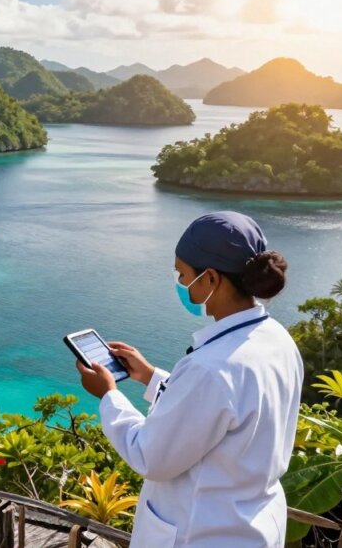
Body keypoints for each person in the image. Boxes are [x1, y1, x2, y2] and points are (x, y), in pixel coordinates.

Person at [76, 211, 303, 548]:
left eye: (182, 275)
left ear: (211, 278)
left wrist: (108, 395)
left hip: (202, 534)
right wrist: (150, 377)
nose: (180, 284)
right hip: (253, 526)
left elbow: (150, 456)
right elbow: (224, 412)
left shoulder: (211, 368)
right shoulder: (277, 340)